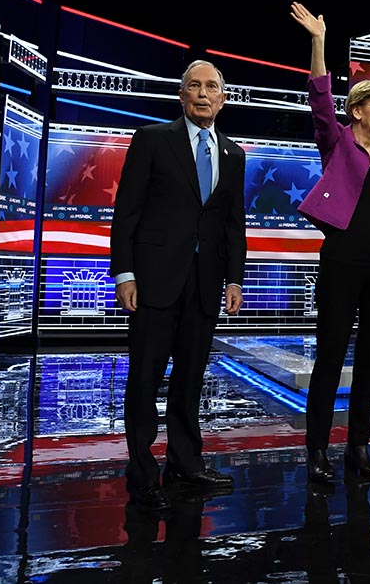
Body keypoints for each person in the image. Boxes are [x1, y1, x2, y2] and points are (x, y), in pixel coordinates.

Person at [110, 60, 246, 511]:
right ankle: (143, 473)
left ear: (223, 98)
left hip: (205, 283)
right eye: (194, 86)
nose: (203, 94)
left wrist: (234, 278)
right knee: (145, 376)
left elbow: (232, 222)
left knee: (190, 378)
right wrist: (124, 273)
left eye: (212, 87)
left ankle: (186, 464)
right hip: (154, 280)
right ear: (181, 95)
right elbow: (127, 209)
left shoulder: (233, 153)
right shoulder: (153, 139)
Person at [290, 2, 370, 483]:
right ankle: (317, 450)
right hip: (342, 261)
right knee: (331, 354)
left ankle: (357, 449)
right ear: (357, 109)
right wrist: (319, 41)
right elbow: (320, 98)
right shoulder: (337, 141)